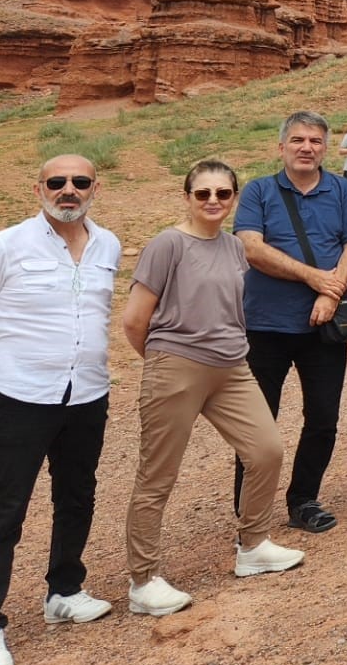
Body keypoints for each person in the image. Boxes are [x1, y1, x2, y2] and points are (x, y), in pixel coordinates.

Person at [123, 160, 304, 617]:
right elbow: (134, 320)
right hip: (177, 365)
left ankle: (254, 544)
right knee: (157, 476)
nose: (213, 202)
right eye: (203, 193)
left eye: (223, 194)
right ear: (187, 197)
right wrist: (165, 364)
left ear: (234, 199)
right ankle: (143, 580)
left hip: (231, 367)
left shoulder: (234, 247)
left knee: (266, 450)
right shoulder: (168, 244)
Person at [0, 156, 119, 665]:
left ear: (95, 187)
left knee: (77, 493)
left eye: (79, 182)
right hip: (19, 393)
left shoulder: (108, 244)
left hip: (87, 392)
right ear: (39, 188)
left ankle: (64, 590)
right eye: (57, 182)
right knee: (6, 510)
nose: (68, 190)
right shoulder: (9, 243)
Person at [233, 111, 347, 536]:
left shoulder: (342, 190)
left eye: (314, 141)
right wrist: (314, 278)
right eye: (297, 140)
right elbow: (251, 248)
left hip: (323, 329)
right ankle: (250, 510)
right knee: (257, 420)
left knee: (323, 417)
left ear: (326, 148)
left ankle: (303, 499)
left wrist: (331, 293)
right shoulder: (259, 191)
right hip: (265, 325)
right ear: (281, 147)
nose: (306, 147)